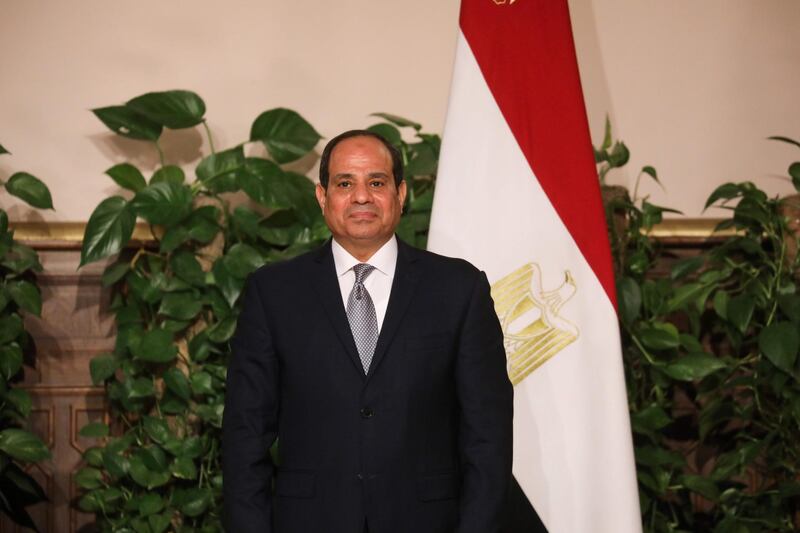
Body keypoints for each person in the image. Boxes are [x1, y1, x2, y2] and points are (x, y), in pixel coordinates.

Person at [222, 130, 513, 533]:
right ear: (323, 197)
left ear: (401, 193)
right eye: (345, 183)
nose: (362, 197)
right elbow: (244, 438)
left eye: (377, 182)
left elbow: (487, 440)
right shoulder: (274, 293)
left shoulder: (459, 289)